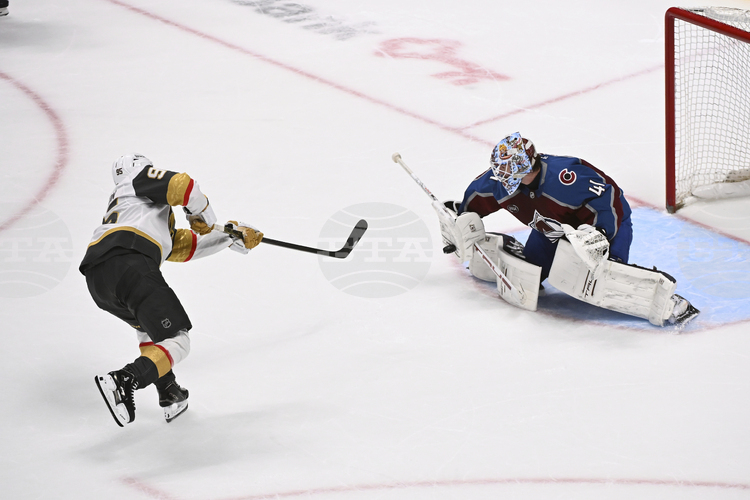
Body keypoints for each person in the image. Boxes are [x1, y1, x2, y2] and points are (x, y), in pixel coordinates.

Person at [440, 132, 698, 326]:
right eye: (501, 171)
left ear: (527, 167)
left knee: (607, 275)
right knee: (529, 274)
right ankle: (516, 249)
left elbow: (609, 197)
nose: (502, 178)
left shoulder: (565, 177)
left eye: (510, 172)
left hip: (600, 226)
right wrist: (461, 219)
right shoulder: (500, 181)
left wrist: (601, 235)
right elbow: (476, 196)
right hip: (550, 231)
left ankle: (671, 303)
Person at [80, 154, 263, 426]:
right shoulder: (137, 179)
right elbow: (184, 186)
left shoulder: (133, 208)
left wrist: (229, 235)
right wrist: (201, 215)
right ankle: (125, 380)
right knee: (178, 340)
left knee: (149, 331)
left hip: (98, 279)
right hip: (129, 262)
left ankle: (168, 391)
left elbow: (181, 246)